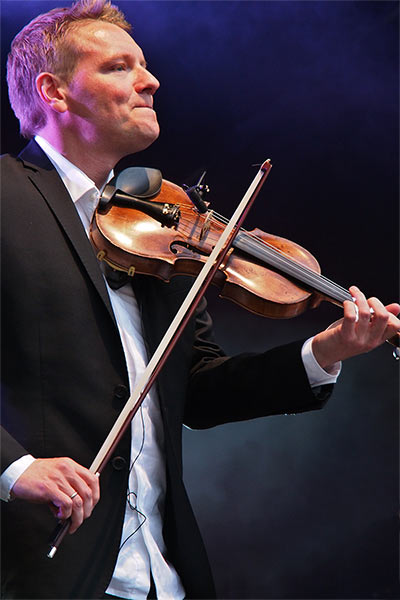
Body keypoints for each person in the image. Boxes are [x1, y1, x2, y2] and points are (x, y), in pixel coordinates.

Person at [1, 1, 398, 598]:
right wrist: (15, 468)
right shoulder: (5, 200)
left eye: (145, 65)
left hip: (164, 574)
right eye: (118, 67)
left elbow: (202, 387)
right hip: (41, 567)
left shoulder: (163, 225)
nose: (150, 80)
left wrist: (325, 351)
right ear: (55, 92)